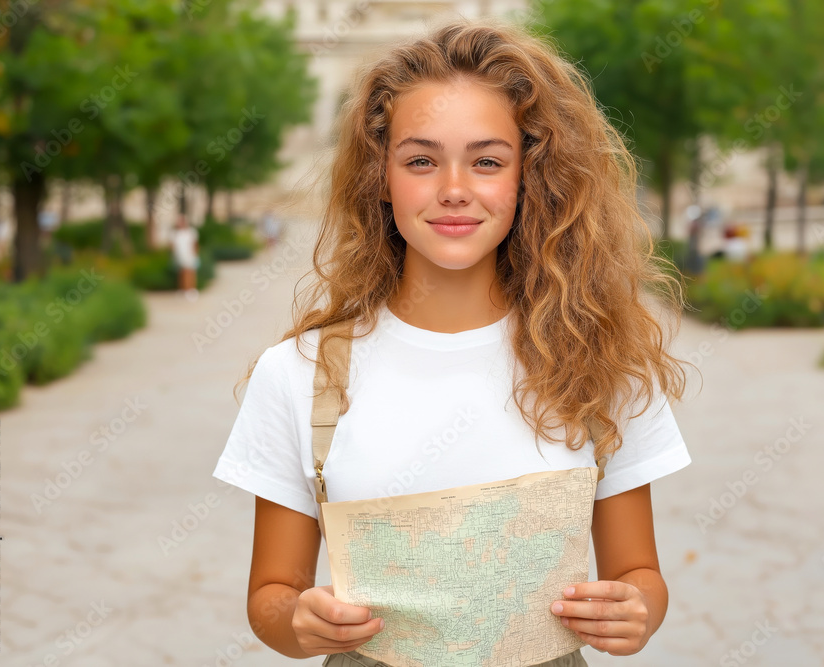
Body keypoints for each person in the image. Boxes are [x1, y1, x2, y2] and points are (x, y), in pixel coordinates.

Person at [212, 19, 693, 666]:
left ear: (531, 175)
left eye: (488, 160)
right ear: (380, 175)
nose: (454, 189)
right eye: (420, 160)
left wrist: (636, 610)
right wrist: (300, 621)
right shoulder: (297, 374)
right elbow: (271, 596)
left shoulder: (600, 362)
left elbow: (641, 574)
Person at [170, 213, 199, 300]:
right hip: (178, 257)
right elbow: (172, 245)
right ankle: (183, 290)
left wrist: (194, 255)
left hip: (189, 256)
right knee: (181, 274)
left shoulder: (191, 232)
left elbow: (195, 244)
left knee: (190, 273)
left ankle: (191, 290)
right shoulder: (174, 233)